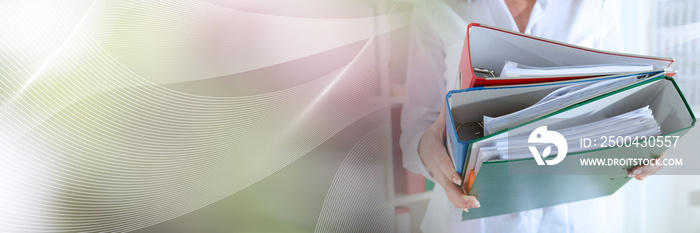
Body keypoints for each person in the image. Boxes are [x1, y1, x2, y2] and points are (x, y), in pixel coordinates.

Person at [400, 0, 662, 232]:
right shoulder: (435, 9)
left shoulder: (593, 5)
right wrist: (431, 153)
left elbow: (622, 97)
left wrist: (645, 137)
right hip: (471, 219)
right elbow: (416, 129)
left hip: (577, 215)